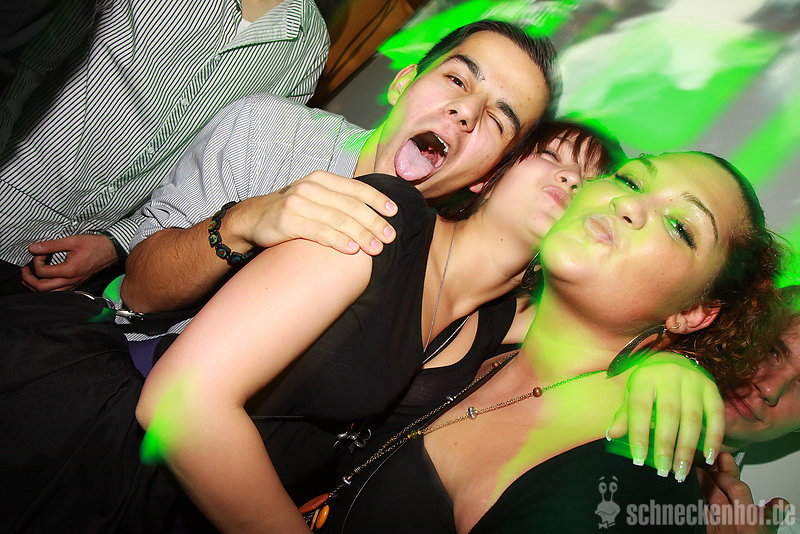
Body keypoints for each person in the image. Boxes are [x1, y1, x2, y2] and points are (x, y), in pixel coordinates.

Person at [136, 141, 773, 533]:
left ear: (694, 313)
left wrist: (681, 366)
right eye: (631, 180)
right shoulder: (497, 343)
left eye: (682, 227)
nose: (629, 205)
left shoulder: (632, 467)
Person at [118, 20, 559, 328]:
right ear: (402, 83)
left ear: (487, 176)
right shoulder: (263, 129)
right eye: (457, 80)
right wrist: (244, 222)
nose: (466, 111)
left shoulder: (439, 267)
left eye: (497, 120)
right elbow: (139, 292)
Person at [0, 0, 330, 294]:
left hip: (83, 258)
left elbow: (235, 169)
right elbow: (30, 66)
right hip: (12, 194)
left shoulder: (310, 42)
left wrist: (117, 244)